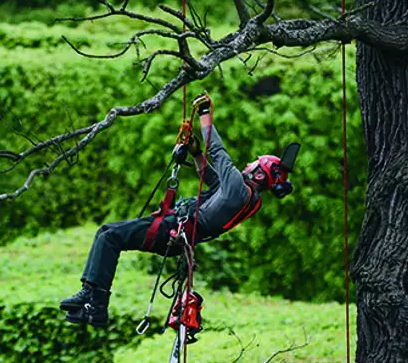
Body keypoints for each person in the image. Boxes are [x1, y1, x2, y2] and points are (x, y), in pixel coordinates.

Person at [59, 93, 295, 328]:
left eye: (252, 165)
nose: (247, 165)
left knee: (109, 235)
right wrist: (195, 152)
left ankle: (95, 307)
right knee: (106, 234)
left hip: (172, 230)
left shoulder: (239, 189)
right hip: (178, 232)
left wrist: (205, 114)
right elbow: (211, 180)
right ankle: (91, 303)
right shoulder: (248, 198)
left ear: (260, 174)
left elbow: (218, 150)